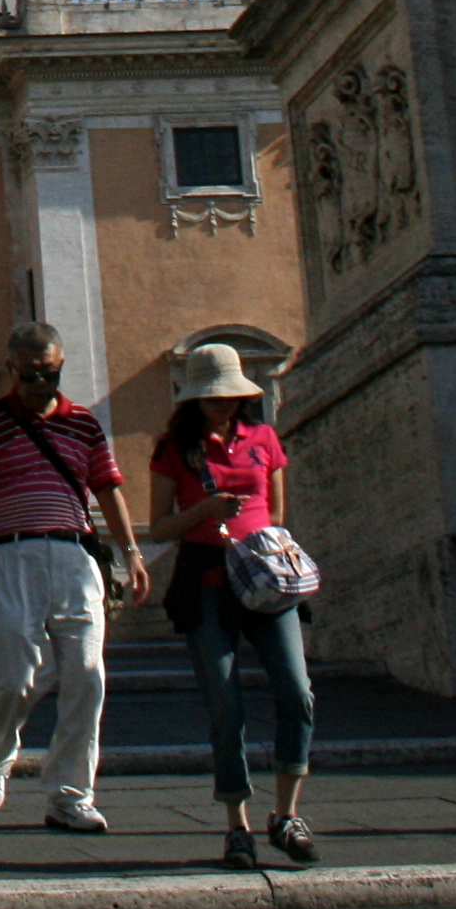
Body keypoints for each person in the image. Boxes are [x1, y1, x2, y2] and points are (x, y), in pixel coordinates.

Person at [0, 319, 146, 835]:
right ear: (12, 369)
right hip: (11, 555)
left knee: (86, 676)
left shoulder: (83, 424)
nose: (41, 383)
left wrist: (132, 553)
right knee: (14, 676)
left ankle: (71, 794)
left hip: (74, 555)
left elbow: (108, 490)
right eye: (31, 373)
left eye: (51, 373)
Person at [149, 344, 314, 867]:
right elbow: (160, 526)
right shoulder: (174, 448)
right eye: (214, 399)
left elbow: (277, 511)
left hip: (265, 580)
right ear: (195, 400)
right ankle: (236, 824)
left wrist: (265, 546)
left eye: (231, 398)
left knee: (298, 691)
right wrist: (206, 509)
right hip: (206, 579)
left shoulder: (263, 438)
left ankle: (286, 815)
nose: (224, 407)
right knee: (226, 704)